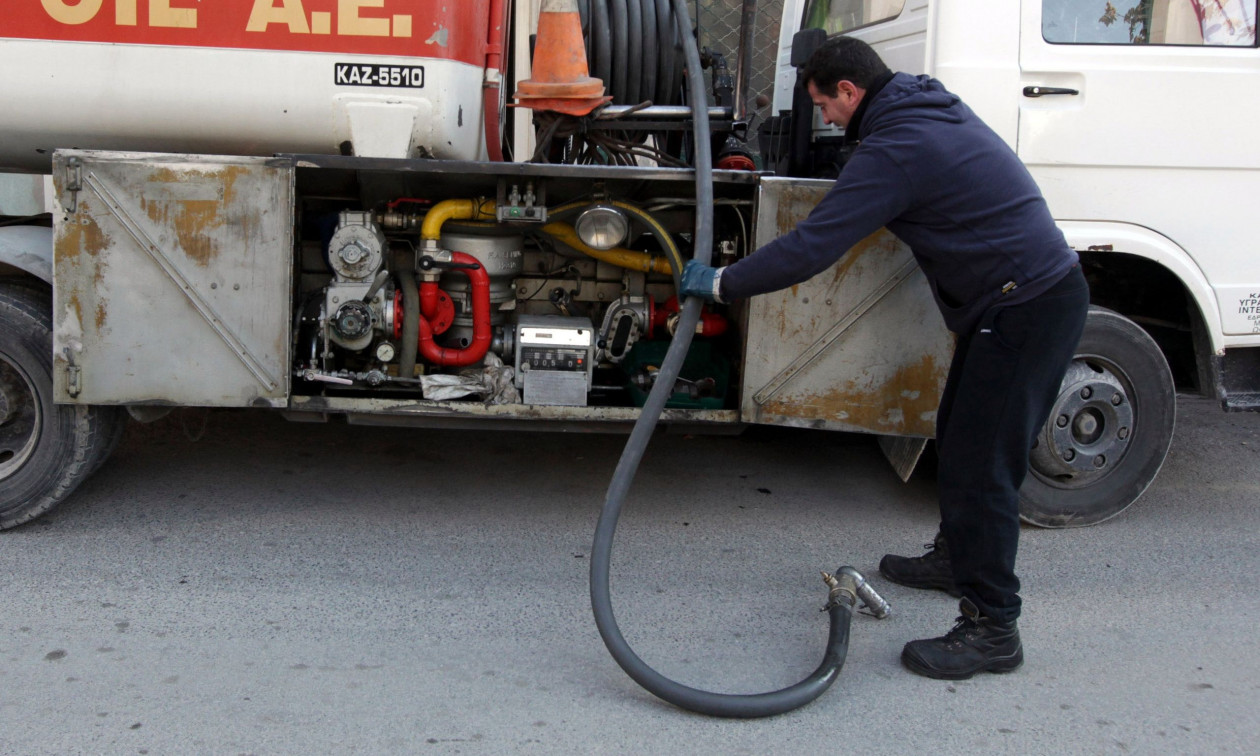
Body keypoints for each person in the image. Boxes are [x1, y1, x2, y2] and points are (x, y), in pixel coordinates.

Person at [679, 36, 1089, 680]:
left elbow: (815, 245)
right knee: (957, 441)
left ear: (850, 91)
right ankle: (958, 558)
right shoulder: (922, 108)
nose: (829, 121)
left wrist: (725, 283)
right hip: (1015, 302)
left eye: (827, 107)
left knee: (984, 467)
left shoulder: (900, 146)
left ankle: (993, 628)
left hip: (1027, 308)